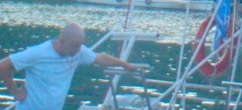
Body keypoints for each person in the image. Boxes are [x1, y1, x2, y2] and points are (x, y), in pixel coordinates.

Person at [0, 22, 140, 110]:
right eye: (74, 46)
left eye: (80, 45)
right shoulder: (38, 53)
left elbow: (100, 58)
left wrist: (126, 65)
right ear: (61, 41)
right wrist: (14, 92)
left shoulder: (78, 51)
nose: (77, 50)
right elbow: (4, 66)